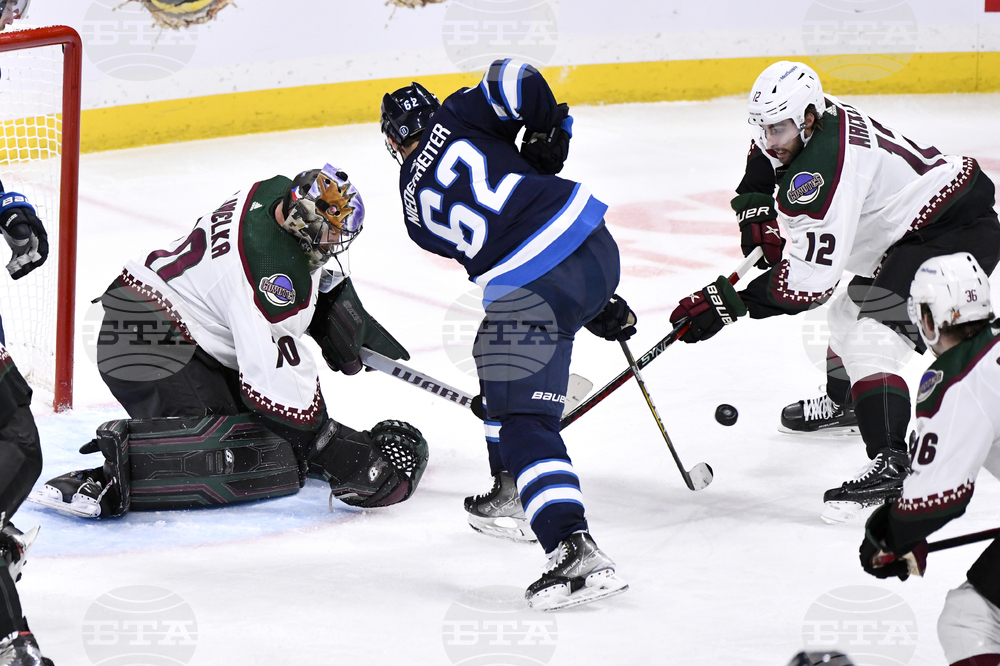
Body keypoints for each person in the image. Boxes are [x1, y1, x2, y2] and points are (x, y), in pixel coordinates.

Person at [668, 60, 1000, 523]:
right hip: (918, 227)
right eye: (764, 128)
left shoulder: (823, 174)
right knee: (845, 317)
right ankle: (848, 404)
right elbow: (763, 161)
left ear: (808, 118)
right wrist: (757, 215)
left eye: (778, 129)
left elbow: (811, 282)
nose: (769, 140)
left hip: (949, 235)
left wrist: (729, 303)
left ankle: (893, 464)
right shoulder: (808, 121)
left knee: (870, 341)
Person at [380, 59, 635, 611]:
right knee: (490, 351)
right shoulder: (458, 113)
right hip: (596, 251)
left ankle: (571, 545)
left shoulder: (413, 212)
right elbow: (516, 76)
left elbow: (498, 244)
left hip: (534, 293)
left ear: (394, 144)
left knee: (525, 424)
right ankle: (511, 486)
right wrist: (549, 131)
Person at [31, 165, 428, 519]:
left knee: (275, 443)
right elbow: (276, 387)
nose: (334, 243)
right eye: (330, 232)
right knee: (233, 455)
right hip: (144, 343)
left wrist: (337, 314)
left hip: (164, 322)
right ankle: (104, 480)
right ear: (302, 221)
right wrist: (338, 449)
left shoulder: (273, 190)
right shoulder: (274, 277)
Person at [859, 252, 1000, 666]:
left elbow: (937, 498)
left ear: (928, 318)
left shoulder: (959, 375)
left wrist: (891, 538)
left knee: (968, 619)